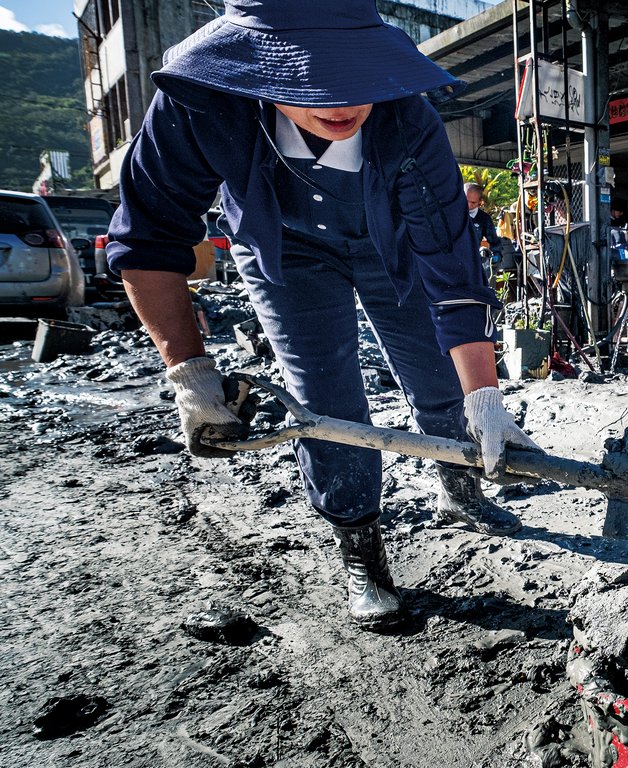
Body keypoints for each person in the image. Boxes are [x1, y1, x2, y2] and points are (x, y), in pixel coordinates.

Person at [106, 0, 542, 630]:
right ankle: (359, 544)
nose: (341, 99)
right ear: (258, 66)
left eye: (355, 73)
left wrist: (486, 399)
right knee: (327, 398)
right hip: (284, 252)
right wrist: (190, 375)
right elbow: (147, 237)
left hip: (393, 248)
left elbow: (449, 262)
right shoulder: (199, 103)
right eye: (308, 77)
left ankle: (461, 484)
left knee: (439, 375)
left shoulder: (407, 119)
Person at [465, 181, 500, 253]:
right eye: (466, 201)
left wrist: (497, 254)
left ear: (480, 202)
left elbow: (494, 242)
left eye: (473, 202)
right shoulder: (452, 214)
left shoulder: (484, 218)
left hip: (472, 258)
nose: (468, 205)